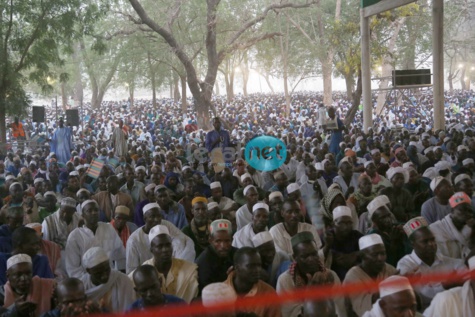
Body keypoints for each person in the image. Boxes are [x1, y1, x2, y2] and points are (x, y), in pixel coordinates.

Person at [397, 217, 464, 310]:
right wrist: (445, 286)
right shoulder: (406, 265)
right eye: (425, 241)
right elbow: (421, 297)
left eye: (432, 240)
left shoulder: (452, 263)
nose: (431, 244)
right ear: (413, 244)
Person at [276, 231, 344, 317]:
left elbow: (339, 310)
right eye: (305, 256)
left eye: (314, 254)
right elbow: (288, 312)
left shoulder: (331, 276)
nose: (311, 259)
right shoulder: (285, 280)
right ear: (294, 257)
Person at [132, 225, 198, 303]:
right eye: (160, 246)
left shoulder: (189, 270)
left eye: (168, 245)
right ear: (151, 249)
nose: (165, 250)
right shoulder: (143, 273)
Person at [126, 202, 195, 274]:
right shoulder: (134, 240)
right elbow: (131, 270)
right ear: (145, 218)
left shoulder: (165, 224)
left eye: (159, 216)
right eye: (152, 216)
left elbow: (182, 239)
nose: (156, 219)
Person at [65, 200, 125, 277]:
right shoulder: (75, 236)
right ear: (82, 215)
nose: (94, 213)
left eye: (96, 210)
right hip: (86, 280)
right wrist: (88, 281)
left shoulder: (108, 228)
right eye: (89, 211)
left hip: (109, 276)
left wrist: (120, 275)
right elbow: (73, 268)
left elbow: (121, 254)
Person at [343, 234, 397, 317]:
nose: (380, 258)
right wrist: (387, 288)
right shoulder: (353, 276)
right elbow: (361, 310)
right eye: (375, 255)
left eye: (383, 253)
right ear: (362, 256)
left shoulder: (388, 269)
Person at [224, 247, 282, 317]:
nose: (257, 270)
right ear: (237, 268)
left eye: (259, 265)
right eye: (251, 266)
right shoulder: (219, 293)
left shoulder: (269, 293)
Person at [80, 247, 135, 312]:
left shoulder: (123, 281)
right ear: (88, 271)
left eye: (107, 270)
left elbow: (131, 311)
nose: (104, 276)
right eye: (98, 273)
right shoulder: (81, 287)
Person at [429, 191, 475, 259]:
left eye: (470, 211)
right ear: (452, 211)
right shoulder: (435, 229)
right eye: (463, 210)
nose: (467, 214)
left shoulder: (471, 228)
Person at [195, 219, 235, 292]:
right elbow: (208, 292)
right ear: (210, 240)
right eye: (218, 241)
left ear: (232, 240)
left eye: (227, 241)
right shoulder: (203, 262)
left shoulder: (237, 254)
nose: (223, 246)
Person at [328, 206, 363, 281]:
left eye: (349, 223)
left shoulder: (356, 236)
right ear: (333, 224)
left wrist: (355, 255)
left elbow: (368, 250)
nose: (346, 227)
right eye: (342, 223)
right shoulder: (328, 237)